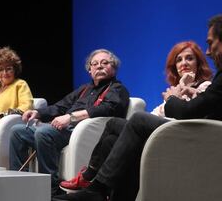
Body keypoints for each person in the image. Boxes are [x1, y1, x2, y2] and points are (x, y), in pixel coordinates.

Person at [53, 13, 222, 201]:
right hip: (213, 135)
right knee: (115, 129)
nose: (209, 52)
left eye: (211, 43)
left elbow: (187, 112)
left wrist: (173, 97)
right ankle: (99, 189)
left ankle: (96, 188)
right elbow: (209, 105)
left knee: (137, 121)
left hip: (213, 142)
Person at [59, 41, 213, 192]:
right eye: (179, 60)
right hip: (162, 131)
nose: (183, 63)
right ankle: (102, 192)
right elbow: (153, 115)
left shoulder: (204, 87)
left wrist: (182, 87)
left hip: (178, 135)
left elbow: (187, 112)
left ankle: (90, 178)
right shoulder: (174, 90)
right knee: (110, 140)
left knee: (114, 123)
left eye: (189, 58)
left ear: (198, 63)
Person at [8, 49, 130, 196]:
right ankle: (19, 184)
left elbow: (109, 108)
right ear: (89, 70)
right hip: (63, 129)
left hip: (82, 132)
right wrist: (38, 113)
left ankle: (50, 190)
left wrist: (71, 117)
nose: (99, 66)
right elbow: (60, 106)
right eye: (95, 64)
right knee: (18, 131)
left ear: (114, 68)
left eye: (105, 63)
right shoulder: (84, 89)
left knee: (43, 133)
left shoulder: (118, 88)